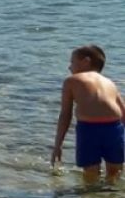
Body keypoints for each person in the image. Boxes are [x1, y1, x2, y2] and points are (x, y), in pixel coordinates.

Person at [52, 45, 125, 184]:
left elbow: (65, 114)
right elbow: (123, 112)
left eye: (72, 62)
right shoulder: (109, 82)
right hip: (114, 128)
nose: (69, 67)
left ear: (86, 61)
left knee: (90, 173)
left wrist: (58, 145)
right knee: (116, 171)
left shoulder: (71, 81)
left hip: (89, 129)